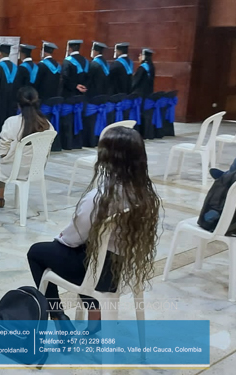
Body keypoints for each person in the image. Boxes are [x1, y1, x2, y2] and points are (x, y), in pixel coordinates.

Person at [27, 126, 161, 330]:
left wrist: (61, 237)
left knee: (37, 252)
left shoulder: (100, 198)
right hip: (122, 269)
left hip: (97, 273)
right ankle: (94, 312)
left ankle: (58, 317)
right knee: (88, 249)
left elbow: (73, 238)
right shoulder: (146, 194)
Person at [0, 86, 53, 208]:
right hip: (35, 169)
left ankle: (0, 196)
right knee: (0, 148)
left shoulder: (12, 122)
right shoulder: (47, 124)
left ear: (19, 104)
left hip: (12, 171)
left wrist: (3, 155)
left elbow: (3, 150)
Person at [0, 43, 29, 145]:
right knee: (9, 121)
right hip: (12, 102)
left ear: (0, 54)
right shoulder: (15, 68)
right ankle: (8, 141)